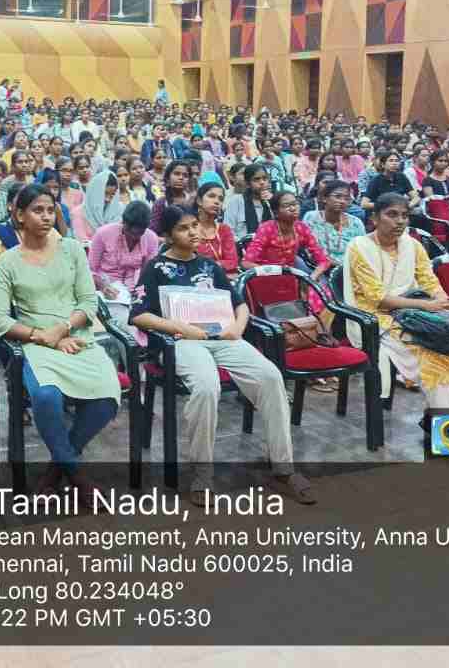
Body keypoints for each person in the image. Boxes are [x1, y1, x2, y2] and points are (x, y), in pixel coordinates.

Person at [131, 205, 313, 505]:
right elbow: (139, 315)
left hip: (222, 337)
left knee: (270, 376)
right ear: (167, 235)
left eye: (194, 226)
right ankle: (202, 476)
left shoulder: (209, 266)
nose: (193, 233)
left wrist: (238, 328)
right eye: (183, 228)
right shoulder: (155, 268)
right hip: (180, 342)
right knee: (206, 387)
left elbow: (239, 304)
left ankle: (283, 469)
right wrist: (180, 327)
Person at [343, 193, 449, 472]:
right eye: (392, 215)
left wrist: (446, 308)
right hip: (377, 320)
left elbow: (429, 281)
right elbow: (378, 299)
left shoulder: (412, 244)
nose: (400, 221)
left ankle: (433, 416)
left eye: (404, 215)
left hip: (417, 314)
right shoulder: (358, 247)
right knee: (435, 361)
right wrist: (429, 305)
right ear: (374, 218)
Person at [0, 186, 120, 497]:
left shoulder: (72, 249)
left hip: (76, 338)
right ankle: (78, 477)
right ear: (19, 215)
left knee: (107, 397)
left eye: (50, 210)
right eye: (37, 210)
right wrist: (42, 336)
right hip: (35, 344)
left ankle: (57, 468)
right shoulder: (7, 262)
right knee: (46, 397)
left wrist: (62, 329)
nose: (46, 216)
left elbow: (89, 302)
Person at [88, 201, 160, 333]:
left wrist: (139, 293)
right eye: (130, 232)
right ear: (123, 223)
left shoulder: (151, 238)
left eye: (138, 234)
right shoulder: (103, 233)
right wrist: (103, 286)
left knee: (148, 319)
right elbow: (90, 270)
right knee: (123, 322)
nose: (133, 237)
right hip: (105, 288)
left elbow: (148, 273)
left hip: (134, 289)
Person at [303, 180, 366, 265]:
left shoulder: (356, 223)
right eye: (338, 196)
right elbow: (307, 249)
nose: (342, 201)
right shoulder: (311, 218)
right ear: (325, 198)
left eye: (346, 198)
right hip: (317, 267)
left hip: (348, 269)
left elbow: (361, 252)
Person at [194, 181, 239, 276]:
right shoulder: (190, 228)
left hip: (224, 279)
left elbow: (232, 262)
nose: (216, 201)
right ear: (199, 201)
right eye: (211, 196)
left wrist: (209, 265)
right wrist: (219, 264)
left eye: (221, 199)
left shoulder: (224, 230)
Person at [222, 163, 274, 238]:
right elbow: (228, 231)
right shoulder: (236, 201)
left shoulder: (272, 201)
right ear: (247, 183)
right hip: (243, 247)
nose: (262, 182)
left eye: (264, 178)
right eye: (256, 179)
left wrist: (273, 203)